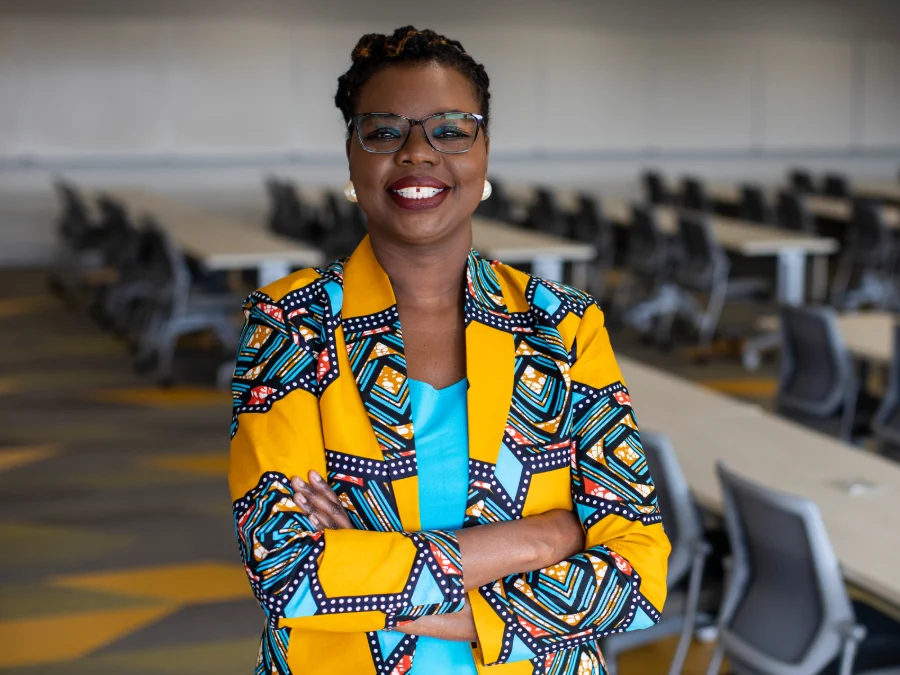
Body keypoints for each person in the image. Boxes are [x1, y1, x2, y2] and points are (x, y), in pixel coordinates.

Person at [229, 26, 670, 675]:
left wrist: (369, 569)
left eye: (450, 129)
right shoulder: (291, 325)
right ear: (352, 156)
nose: (417, 152)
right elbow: (287, 571)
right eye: (383, 131)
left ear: (484, 149)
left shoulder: (562, 327)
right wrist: (543, 537)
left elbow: (640, 570)